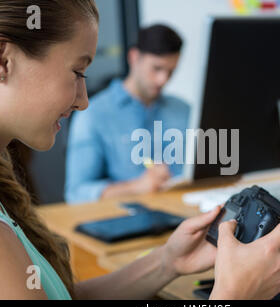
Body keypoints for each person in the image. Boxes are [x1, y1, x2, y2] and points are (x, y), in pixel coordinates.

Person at [0, 0, 280, 300]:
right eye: (77, 72)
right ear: (2, 59)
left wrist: (167, 261)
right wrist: (231, 295)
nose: (83, 100)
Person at [65, 24, 190, 204]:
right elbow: (76, 194)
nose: (163, 80)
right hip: (129, 220)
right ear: (134, 57)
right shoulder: (93, 114)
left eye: (171, 71)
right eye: (156, 68)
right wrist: (137, 187)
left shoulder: (184, 110)